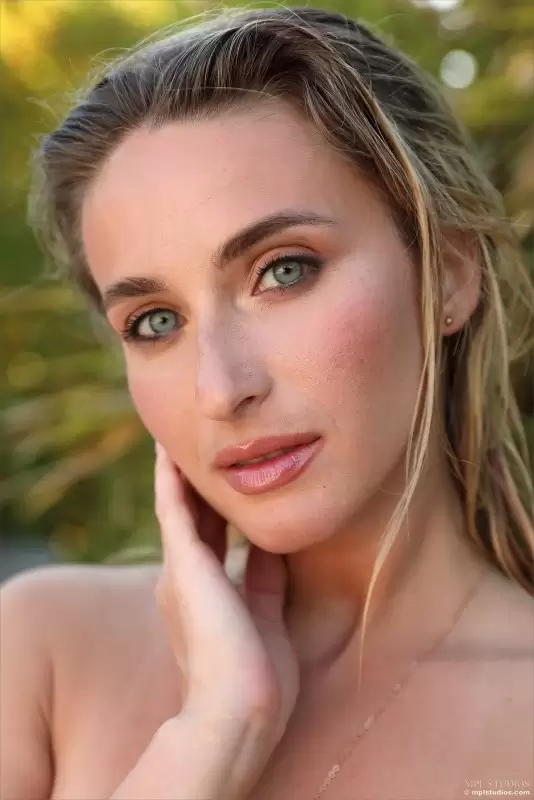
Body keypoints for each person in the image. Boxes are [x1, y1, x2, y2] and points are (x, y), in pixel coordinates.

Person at [1, 5, 533, 799]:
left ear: (448, 273)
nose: (221, 389)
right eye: (155, 322)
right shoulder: (42, 652)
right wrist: (213, 734)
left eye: (283, 271)